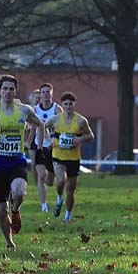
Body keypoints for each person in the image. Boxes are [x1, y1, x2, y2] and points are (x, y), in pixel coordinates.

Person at [0, 75, 44, 251]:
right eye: (5, 89)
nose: (8, 92)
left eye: (11, 89)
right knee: (1, 210)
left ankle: (15, 210)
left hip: (17, 161)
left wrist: (35, 146)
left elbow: (40, 124)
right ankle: (10, 242)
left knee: (19, 192)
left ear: (15, 91)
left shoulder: (24, 110)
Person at [48, 92, 94, 221]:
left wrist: (80, 139)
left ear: (74, 105)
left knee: (70, 190)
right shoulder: (56, 119)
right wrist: (49, 140)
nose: (68, 106)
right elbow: (43, 127)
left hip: (73, 158)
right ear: (62, 105)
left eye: (70, 104)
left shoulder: (81, 120)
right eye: (66, 104)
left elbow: (91, 136)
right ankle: (59, 198)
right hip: (58, 155)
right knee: (61, 180)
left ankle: (67, 216)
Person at [32, 83, 61, 212]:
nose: (45, 94)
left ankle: (52, 180)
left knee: (49, 180)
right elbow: (31, 126)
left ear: (52, 94)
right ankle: (43, 205)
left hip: (53, 147)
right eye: (43, 92)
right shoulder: (35, 110)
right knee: (41, 176)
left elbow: (62, 126)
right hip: (39, 146)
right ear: (40, 94)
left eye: (48, 92)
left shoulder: (56, 109)